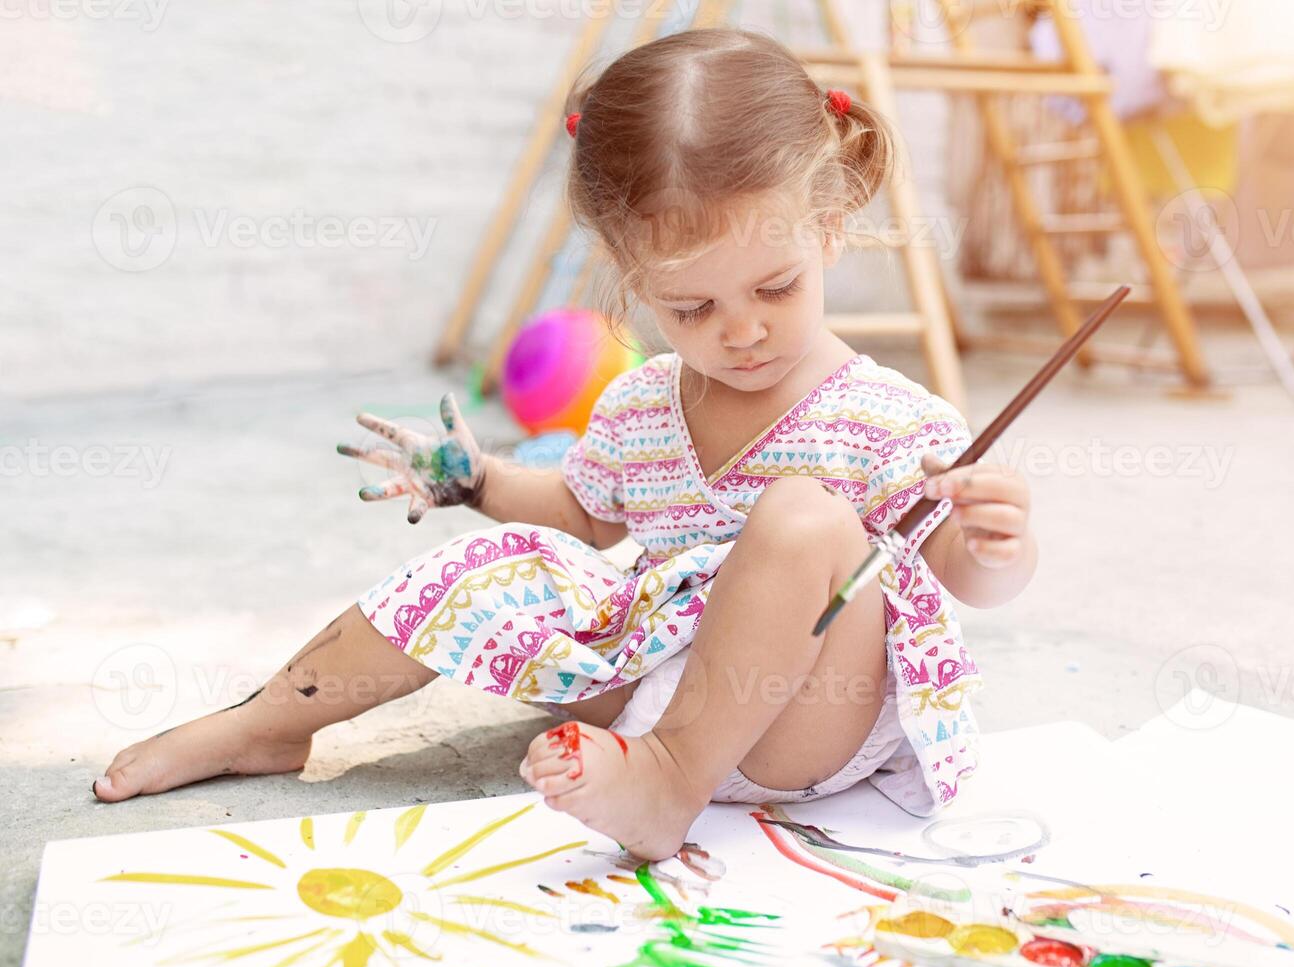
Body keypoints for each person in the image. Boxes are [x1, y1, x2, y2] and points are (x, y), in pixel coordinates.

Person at [94, 27, 1038, 860]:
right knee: (500, 561)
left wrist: (998, 544)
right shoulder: (641, 404)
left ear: (829, 233)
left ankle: (669, 784)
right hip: (661, 688)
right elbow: (581, 517)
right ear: (632, 277)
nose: (742, 331)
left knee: (802, 515)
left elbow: (959, 570)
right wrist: (477, 483)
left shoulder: (891, 417)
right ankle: (268, 724)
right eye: (692, 307)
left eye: (775, 288)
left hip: (809, 724)